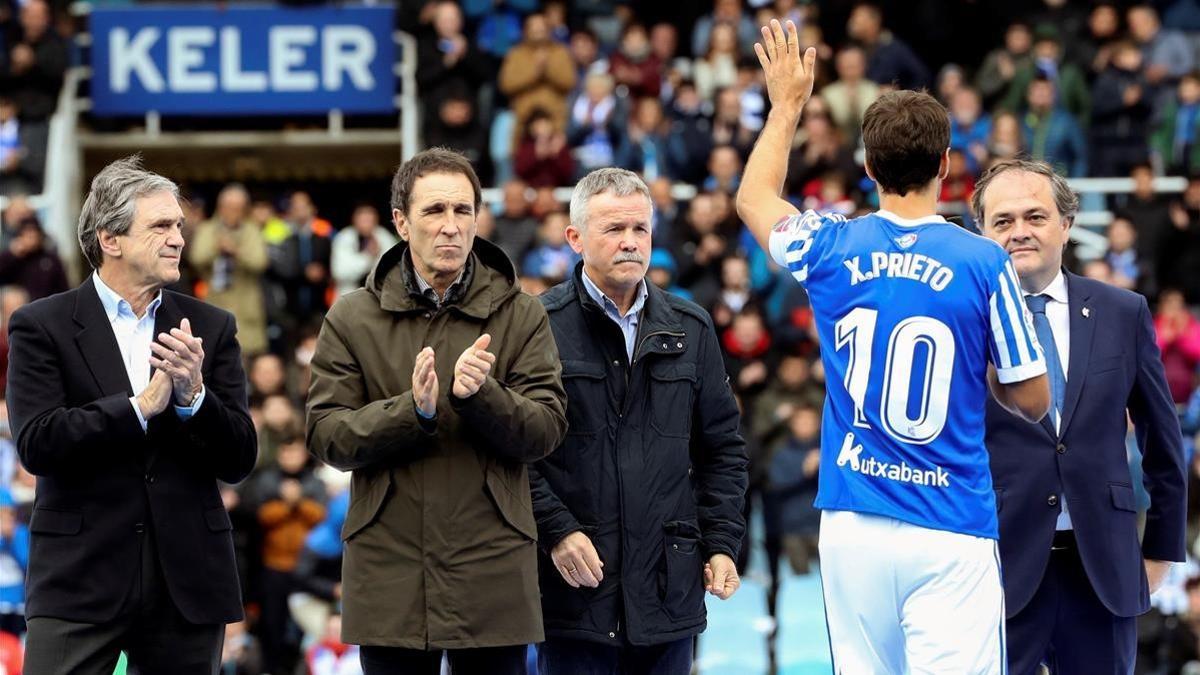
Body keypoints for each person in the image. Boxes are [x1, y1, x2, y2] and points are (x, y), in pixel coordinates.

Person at [736, 20, 1050, 672]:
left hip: (854, 517)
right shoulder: (983, 261)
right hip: (950, 518)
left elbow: (752, 197)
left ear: (869, 167)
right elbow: (1034, 397)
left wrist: (788, 105)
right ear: (946, 165)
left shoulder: (830, 245)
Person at [306, 148, 568, 675]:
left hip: (491, 565)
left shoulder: (523, 313)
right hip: (390, 568)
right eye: (434, 211)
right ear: (401, 222)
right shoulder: (351, 316)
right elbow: (326, 434)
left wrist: (483, 397)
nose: (450, 226)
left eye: (463, 211)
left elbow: (546, 429)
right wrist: (413, 412)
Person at [5, 155, 258, 673]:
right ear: (110, 239)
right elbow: (37, 442)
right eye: (161, 225)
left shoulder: (210, 326)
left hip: (187, 583)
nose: (178, 238)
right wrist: (138, 409)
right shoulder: (41, 325)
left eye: (180, 226)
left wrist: (193, 398)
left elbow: (239, 457)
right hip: (79, 581)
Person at [973, 158, 1187, 674]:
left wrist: (1161, 550)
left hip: (1104, 570)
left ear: (1066, 225)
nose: (1019, 232)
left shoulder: (1124, 310)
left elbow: (1162, 438)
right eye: (1003, 221)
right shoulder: (963, 317)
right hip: (997, 567)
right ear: (980, 232)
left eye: (1035, 217)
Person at [530, 168, 748, 675]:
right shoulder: (537, 326)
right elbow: (513, 456)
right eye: (613, 229)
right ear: (575, 238)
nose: (630, 243)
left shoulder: (690, 327)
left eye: (640, 229)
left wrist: (721, 543)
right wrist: (557, 530)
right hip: (574, 596)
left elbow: (723, 451)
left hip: (668, 596)